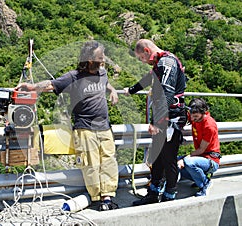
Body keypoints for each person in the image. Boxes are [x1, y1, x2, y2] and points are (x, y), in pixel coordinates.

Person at [16, 40, 119, 211]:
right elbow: (51, 85)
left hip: (105, 127)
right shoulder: (74, 77)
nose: (103, 60)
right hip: (85, 128)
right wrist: (32, 87)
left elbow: (106, 83)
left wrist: (113, 91)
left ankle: (108, 197)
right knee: (91, 165)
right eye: (100, 57)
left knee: (109, 162)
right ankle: (97, 198)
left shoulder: (102, 73)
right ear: (88, 59)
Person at [124, 39, 188, 205]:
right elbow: (149, 79)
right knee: (157, 157)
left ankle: (169, 196)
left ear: (146, 50)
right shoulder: (160, 63)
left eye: (141, 58)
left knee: (168, 158)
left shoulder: (166, 63)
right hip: (165, 118)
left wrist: (157, 122)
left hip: (170, 119)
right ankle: (153, 193)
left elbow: (167, 93)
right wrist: (131, 90)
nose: (142, 61)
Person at [177, 98, 220, 196]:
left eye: (195, 116)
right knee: (173, 163)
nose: (192, 118)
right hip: (200, 157)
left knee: (187, 162)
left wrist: (185, 158)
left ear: (203, 113)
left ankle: (205, 183)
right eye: (191, 114)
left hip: (210, 159)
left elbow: (201, 150)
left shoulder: (209, 126)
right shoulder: (195, 116)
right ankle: (199, 180)